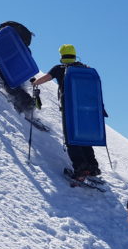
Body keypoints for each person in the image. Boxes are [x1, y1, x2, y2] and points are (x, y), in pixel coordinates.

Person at [30, 44, 102, 181]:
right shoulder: (85, 69)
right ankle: (92, 167)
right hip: (87, 110)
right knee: (84, 137)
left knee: (71, 138)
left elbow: (44, 79)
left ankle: (80, 168)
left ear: (62, 56)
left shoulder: (60, 69)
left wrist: (34, 82)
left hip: (69, 109)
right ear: (74, 54)